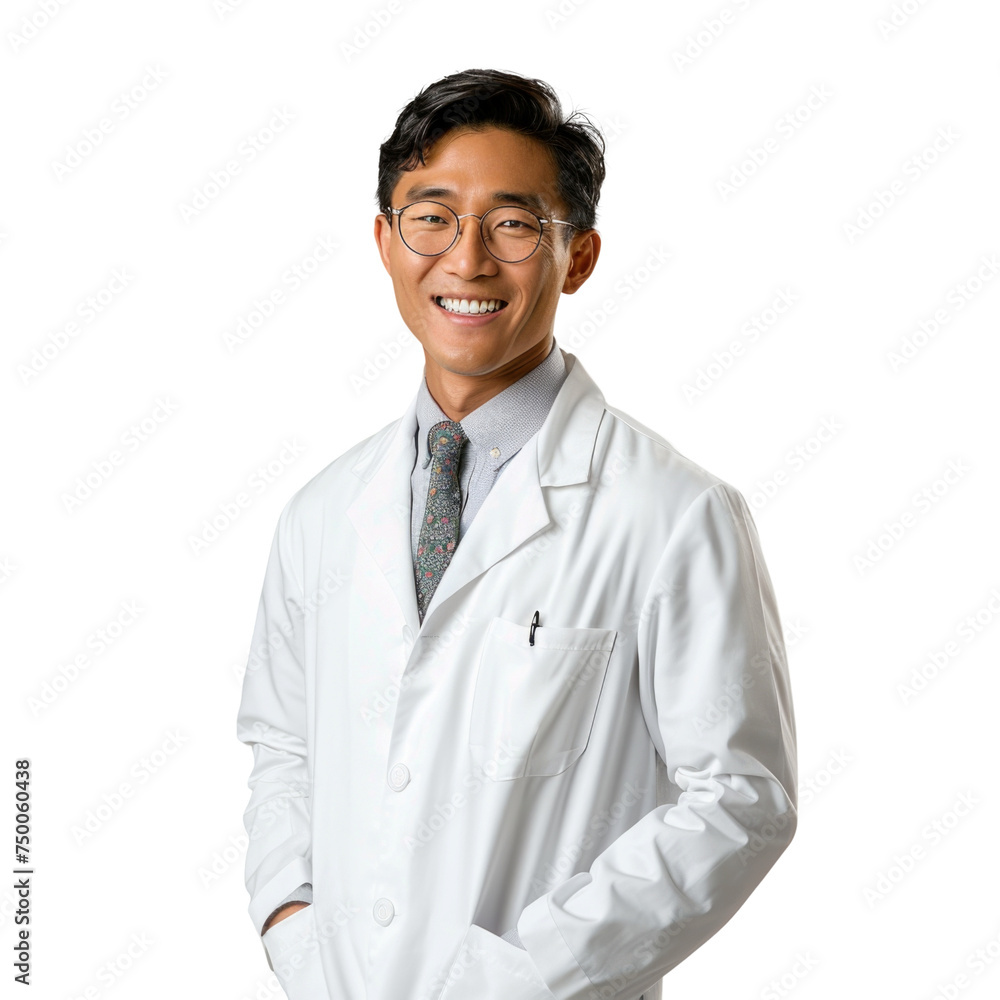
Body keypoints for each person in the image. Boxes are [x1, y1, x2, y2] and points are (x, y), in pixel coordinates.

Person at [236, 67, 797, 1000]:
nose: (466, 261)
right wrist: (293, 929)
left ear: (578, 257)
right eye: (432, 217)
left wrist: (527, 972)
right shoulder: (322, 513)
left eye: (513, 224)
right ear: (385, 241)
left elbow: (741, 799)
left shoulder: (673, 514)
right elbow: (284, 748)